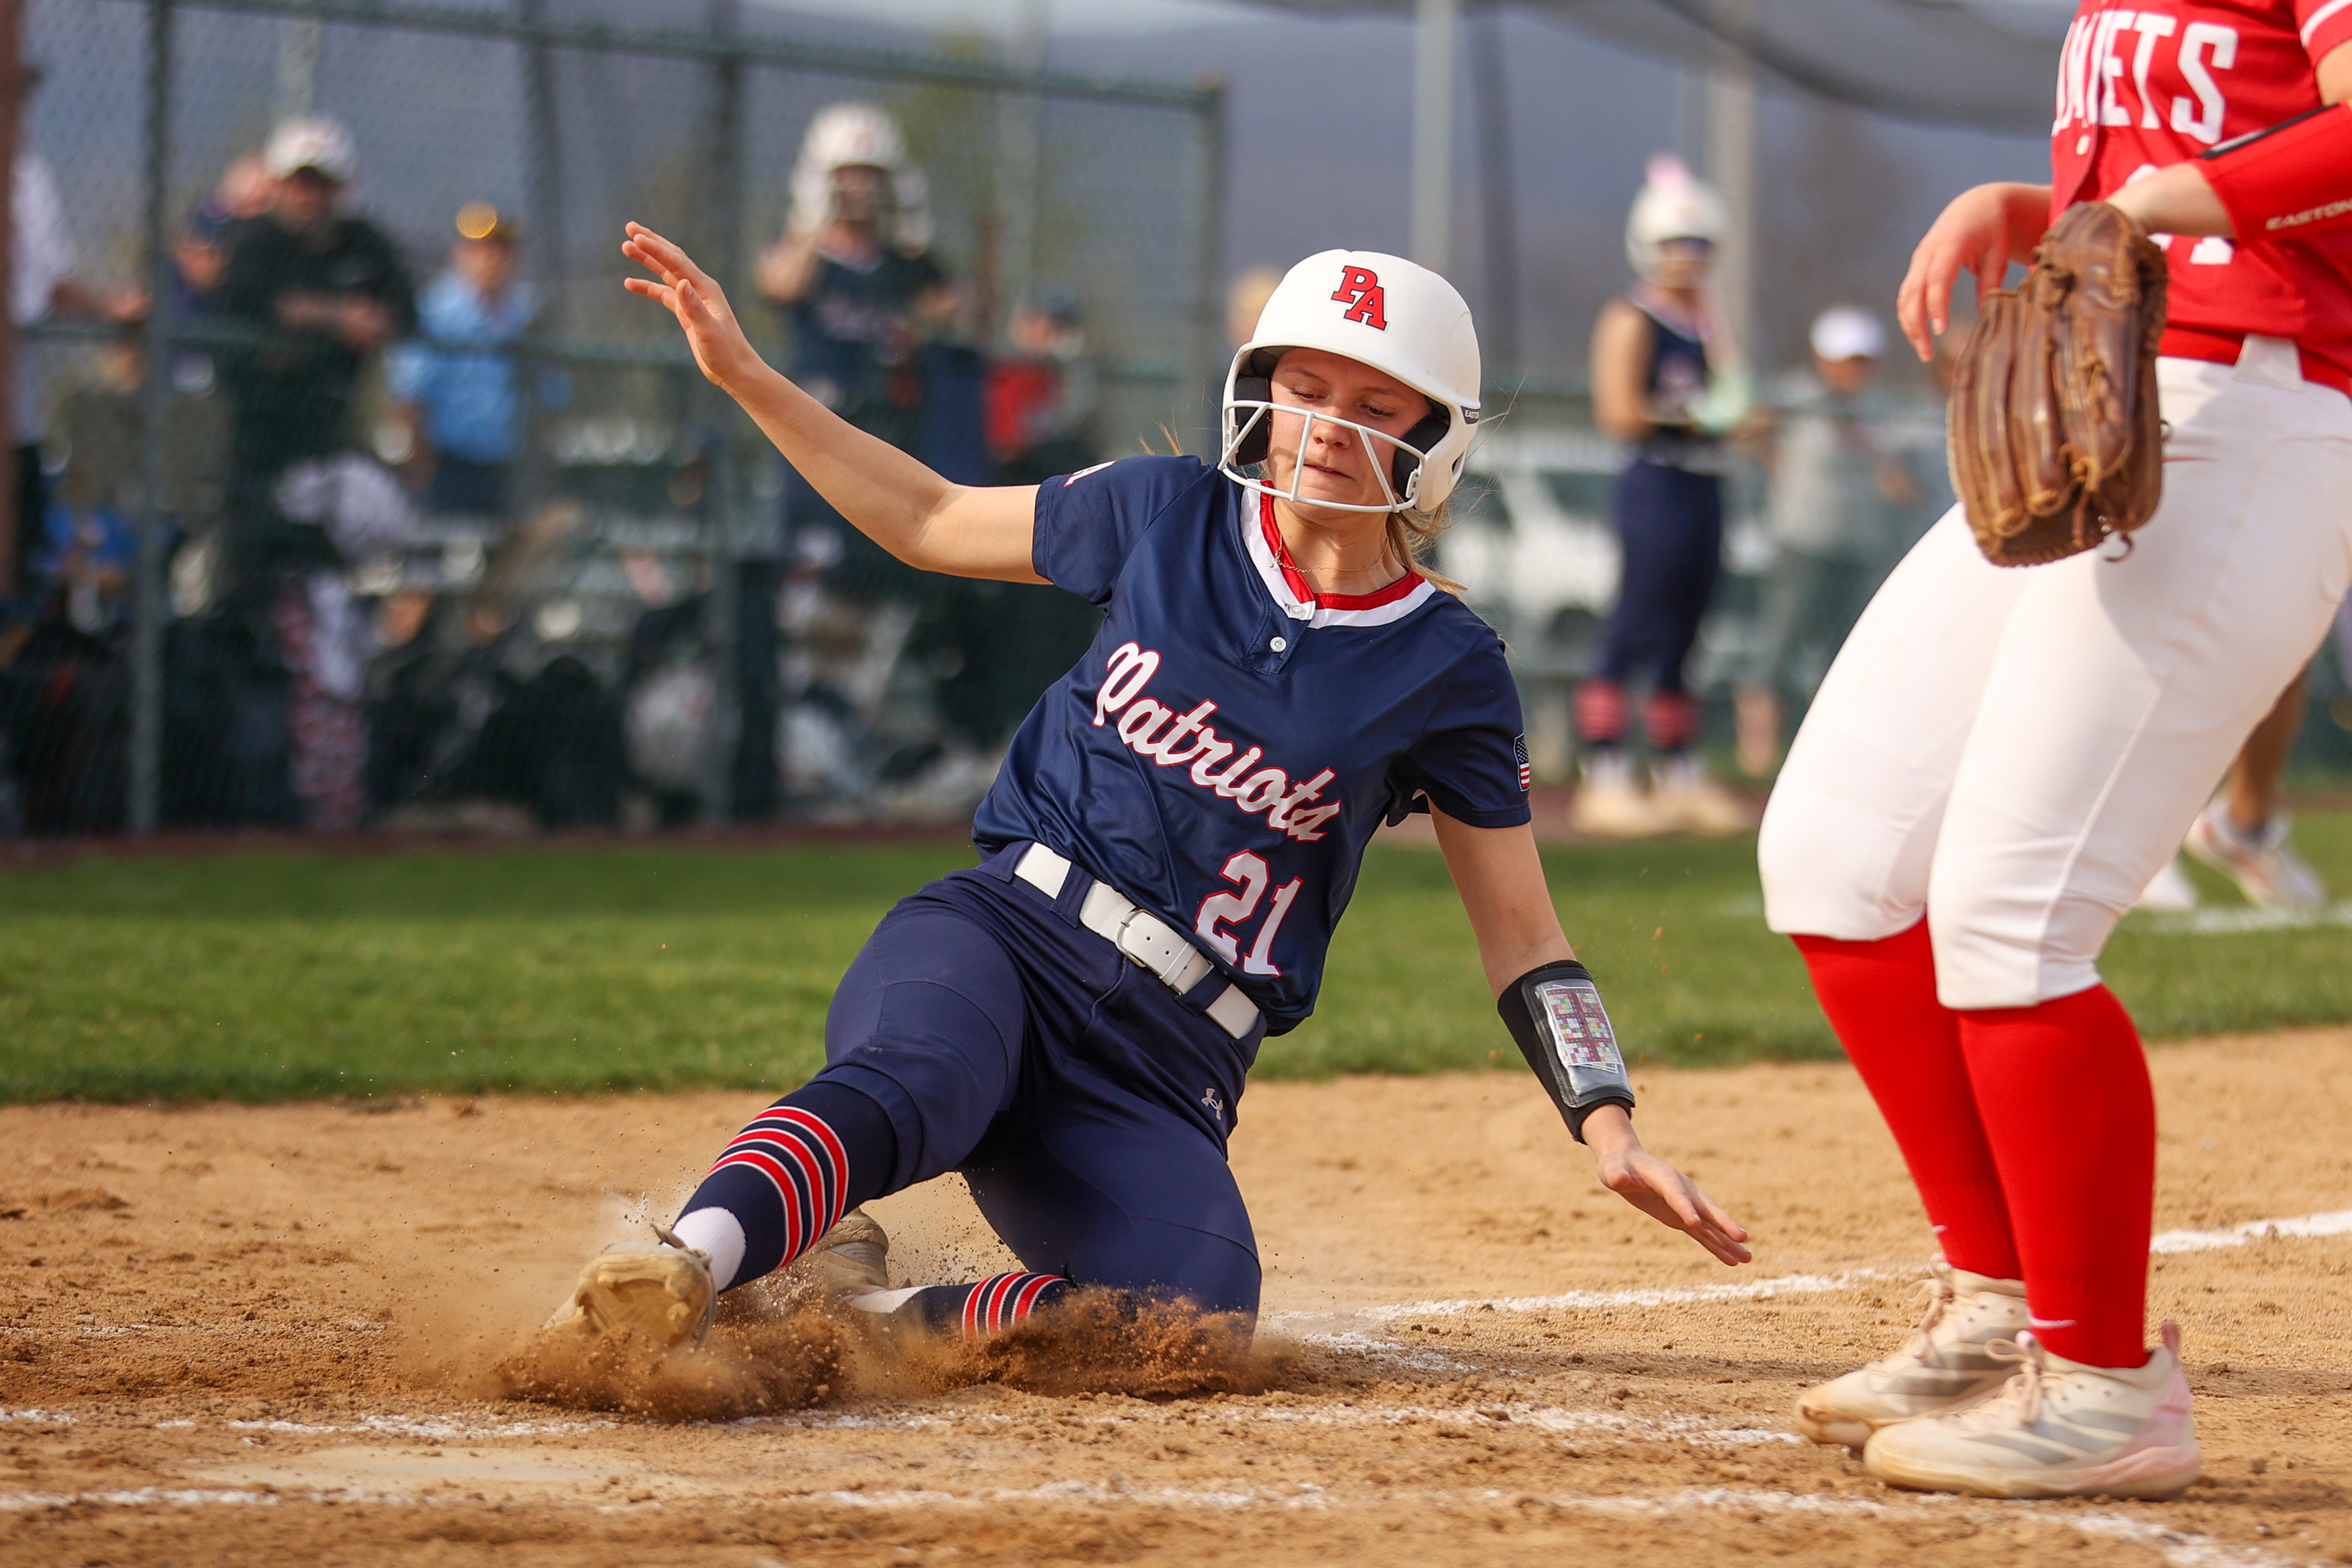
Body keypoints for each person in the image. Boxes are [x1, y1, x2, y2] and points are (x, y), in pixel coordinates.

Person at [542, 228, 1751, 1354]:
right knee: (917, 1078)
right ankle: (686, 1267)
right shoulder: (1169, 511)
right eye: (1306, 387)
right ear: (1262, 393)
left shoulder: (1450, 664)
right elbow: (929, 517)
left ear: (1433, 444)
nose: (1328, 425)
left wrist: (1609, 1122)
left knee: (1193, 1320)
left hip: (1170, 1062)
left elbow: (1527, 937)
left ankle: (848, 1308)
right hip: (1006, 938)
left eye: (1376, 406)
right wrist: (749, 373)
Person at [1756, 0, 2352, 1501]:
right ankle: (2000, 1306)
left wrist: (2163, 199)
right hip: (2143, 381)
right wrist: (2032, 209)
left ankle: (2104, 1385)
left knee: (2014, 908)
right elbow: (2170, 174)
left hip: (2267, 409)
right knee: (1837, 851)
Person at [214, 116, 417, 830]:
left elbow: (404, 305)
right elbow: (238, 306)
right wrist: (332, 317)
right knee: (288, 633)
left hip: (334, 454)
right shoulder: (258, 246)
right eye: (299, 181)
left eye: (322, 183)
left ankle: (349, 603)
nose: (311, 196)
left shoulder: (361, 244)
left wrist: (348, 317)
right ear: (278, 185)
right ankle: (281, 792)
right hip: (266, 465)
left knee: (382, 528)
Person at [1574, 156, 1751, 839]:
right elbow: (1619, 411)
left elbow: (1728, 391)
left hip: (1703, 480)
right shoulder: (1632, 317)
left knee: (1685, 633)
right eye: (1676, 245)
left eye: (1700, 247)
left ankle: (1679, 774)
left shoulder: (1708, 322)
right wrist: (1696, 415)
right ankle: (1607, 773)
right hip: (1655, 480)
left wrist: (1731, 410)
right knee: (1636, 623)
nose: (1688, 259)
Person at [1733, 307, 1917, 779]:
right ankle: (1757, 759)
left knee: (1844, 657)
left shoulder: (1880, 410)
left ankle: (1832, 760)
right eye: (1844, 358)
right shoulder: (1796, 399)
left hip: (1861, 548)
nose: (1853, 368)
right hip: (1804, 542)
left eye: (1861, 359)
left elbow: (1893, 475)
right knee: (1780, 646)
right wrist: (1774, 463)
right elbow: (1748, 433)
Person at [388, 203, 559, 519]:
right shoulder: (435, 313)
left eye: (502, 249)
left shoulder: (528, 317)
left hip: (514, 468)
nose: (492, 259)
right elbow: (410, 397)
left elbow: (551, 396)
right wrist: (420, 466)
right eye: (481, 248)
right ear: (460, 253)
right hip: (449, 466)